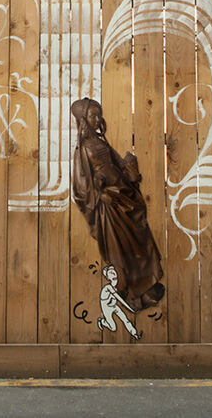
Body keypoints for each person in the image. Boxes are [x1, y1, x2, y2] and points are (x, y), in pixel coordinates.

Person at [70, 97, 165, 312]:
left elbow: (115, 165)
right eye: (93, 115)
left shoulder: (101, 143)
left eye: (99, 115)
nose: (98, 119)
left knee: (140, 244)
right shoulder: (82, 149)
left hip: (124, 198)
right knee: (121, 251)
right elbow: (80, 187)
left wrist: (128, 169)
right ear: (83, 119)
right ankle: (132, 294)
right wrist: (100, 195)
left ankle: (147, 287)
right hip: (109, 208)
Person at [97, 265, 141, 339]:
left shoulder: (117, 286)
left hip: (114, 306)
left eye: (113, 270)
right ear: (108, 277)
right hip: (107, 308)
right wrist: (131, 309)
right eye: (110, 272)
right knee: (113, 327)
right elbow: (120, 299)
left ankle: (135, 334)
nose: (113, 273)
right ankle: (102, 321)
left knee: (125, 320)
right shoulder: (108, 288)